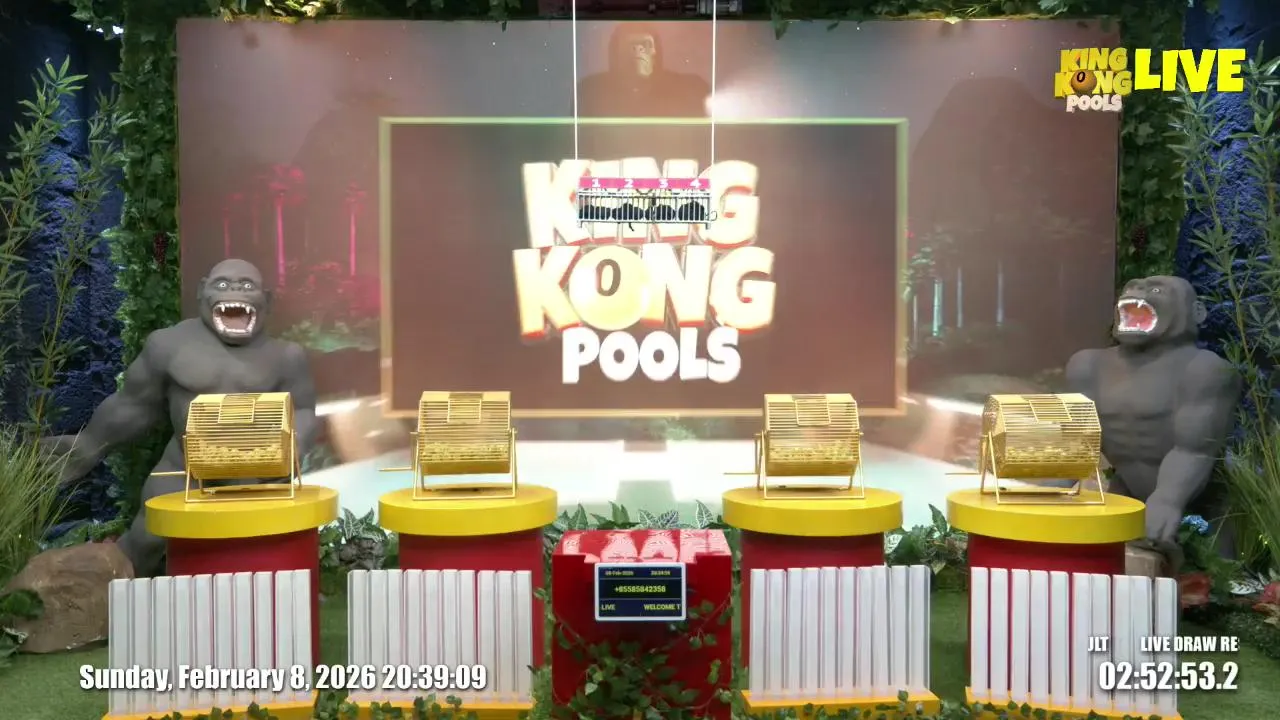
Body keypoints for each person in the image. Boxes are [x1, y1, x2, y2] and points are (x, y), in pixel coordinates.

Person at [577, 23, 710, 118]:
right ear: (616, 53)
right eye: (630, 45)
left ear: (656, 52)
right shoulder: (590, 91)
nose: (638, 50)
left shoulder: (691, 89)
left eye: (644, 44)